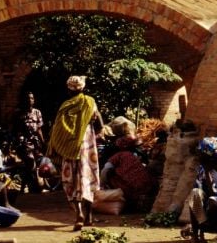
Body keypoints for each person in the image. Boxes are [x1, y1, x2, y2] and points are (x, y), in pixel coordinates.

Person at [47, 75, 103, 231]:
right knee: (88, 179)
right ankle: (89, 217)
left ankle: (79, 214)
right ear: (82, 88)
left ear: (69, 89)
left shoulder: (65, 106)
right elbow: (100, 125)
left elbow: (57, 130)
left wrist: (59, 144)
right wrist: (89, 131)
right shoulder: (90, 103)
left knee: (71, 181)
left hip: (69, 150)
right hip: (87, 149)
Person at [100, 135, 158, 212]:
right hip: (147, 188)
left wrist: (103, 185)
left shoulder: (118, 156)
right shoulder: (134, 156)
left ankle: (129, 201)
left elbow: (105, 170)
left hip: (131, 189)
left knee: (109, 173)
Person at [13, 92, 45, 193]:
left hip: (35, 141)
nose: (29, 100)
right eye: (27, 98)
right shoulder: (19, 113)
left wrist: (43, 142)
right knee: (30, 162)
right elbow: (16, 129)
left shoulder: (37, 112)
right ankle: (27, 185)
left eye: (31, 98)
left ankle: (30, 185)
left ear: (34, 100)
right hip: (25, 142)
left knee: (37, 163)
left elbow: (39, 129)